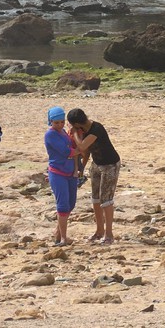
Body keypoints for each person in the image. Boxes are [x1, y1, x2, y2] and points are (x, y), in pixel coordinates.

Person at [66, 108, 121, 244]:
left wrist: (75, 134)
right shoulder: (83, 131)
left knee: (106, 199)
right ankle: (99, 231)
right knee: (96, 199)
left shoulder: (96, 129)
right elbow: (86, 153)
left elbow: (83, 146)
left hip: (110, 165)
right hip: (96, 164)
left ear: (76, 124)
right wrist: (82, 168)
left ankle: (109, 234)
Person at [44, 105, 79, 246]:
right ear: (50, 121)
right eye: (56, 122)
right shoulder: (50, 134)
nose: (59, 125)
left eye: (61, 122)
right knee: (63, 205)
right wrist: (81, 149)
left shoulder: (64, 132)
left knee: (71, 203)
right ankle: (63, 237)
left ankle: (58, 233)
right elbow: (67, 151)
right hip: (58, 173)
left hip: (70, 172)